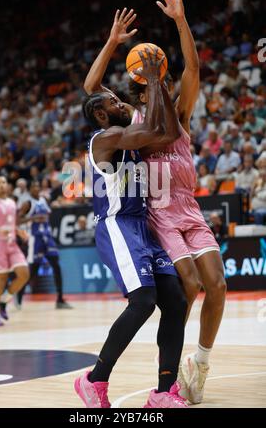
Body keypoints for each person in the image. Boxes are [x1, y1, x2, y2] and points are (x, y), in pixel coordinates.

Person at [129, 0, 226, 404]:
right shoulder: (138, 125)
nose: (164, 91)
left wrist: (181, 19)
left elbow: (193, 70)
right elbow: (93, 89)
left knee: (217, 284)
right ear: (144, 90)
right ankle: (168, 371)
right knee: (188, 283)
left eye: (163, 86)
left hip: (190, 208)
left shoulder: (180, 114)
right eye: (154, 88)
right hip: (161, 212)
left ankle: (199, 366)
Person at [75, 43, 187, 408]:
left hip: (142, 226)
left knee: (176, 300)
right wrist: (154, 82)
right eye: (113, 104)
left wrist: (114, 42)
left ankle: (164, 392)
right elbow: (157, 127)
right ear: (102, 118)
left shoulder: (127, 130)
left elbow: (168, 133)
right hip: (117, 225)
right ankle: (94, 381)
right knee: (142, 301)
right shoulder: (105, 138)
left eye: (119, 100)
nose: (121, 102)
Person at [0, 175, 29, 326]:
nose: (2, 185)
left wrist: (19, 231)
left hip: (11, 243)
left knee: (24, 274)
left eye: (4, 182)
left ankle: (3, 301)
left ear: (7, 186)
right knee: (1, 279)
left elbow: (10, 224)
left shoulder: (11, 203)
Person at [17, 180, 72, 309]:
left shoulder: (43, 200)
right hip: (35, 239)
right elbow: (18, 220)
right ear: (30, 190)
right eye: (34, 187)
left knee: (56, 266)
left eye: (38, 186)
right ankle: (19, 295)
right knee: (32, 271)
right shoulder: (27, 203)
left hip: (47, 237)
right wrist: (32, 219)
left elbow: (47, 215)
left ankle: (60, 299)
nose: (36, 188)